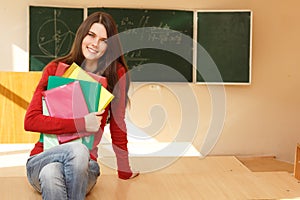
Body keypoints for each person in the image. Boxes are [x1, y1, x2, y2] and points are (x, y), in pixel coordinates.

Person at [24, 11, 139, 200]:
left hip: (85, 167)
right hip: (42, 158)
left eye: (104, 40)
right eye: (91, 35)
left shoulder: (115, 74)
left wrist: (124, 170)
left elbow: (118, 125)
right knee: (71, 154)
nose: (95, 44)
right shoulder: (55, 69)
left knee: (53, 172)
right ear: (82, 35)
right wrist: (82, 124)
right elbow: (30, 121)